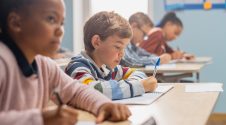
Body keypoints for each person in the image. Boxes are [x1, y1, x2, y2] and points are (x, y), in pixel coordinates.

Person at [0, 0, 131, 125]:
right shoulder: (3, 61)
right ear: (16, 23)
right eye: (51, 19)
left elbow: (76, 92)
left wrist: (103, 104)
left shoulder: (44, 65)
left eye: (61, 23)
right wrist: (40, 120)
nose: (60, 30)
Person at [65, 11, 157, 100]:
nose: (122, 53)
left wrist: (130, 85)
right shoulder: (77, 66)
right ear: (97, 42)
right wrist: (138, 86)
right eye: (117, 47)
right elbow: (91, 91)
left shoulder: (108, 68)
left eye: (124, 48)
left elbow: (137, 73)